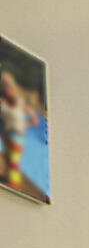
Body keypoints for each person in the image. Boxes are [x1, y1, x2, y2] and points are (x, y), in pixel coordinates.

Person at [0, 69, 40, 197]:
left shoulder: (21, 102)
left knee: (14, 164)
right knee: (7, 160)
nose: (6, 87)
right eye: (3, 85)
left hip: (17, 137)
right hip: (6, 135)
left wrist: (24, 125)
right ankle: (7, 184)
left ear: (12, 85)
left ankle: (14, 190)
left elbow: (35, 120)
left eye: (8, 84)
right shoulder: (2, 101)